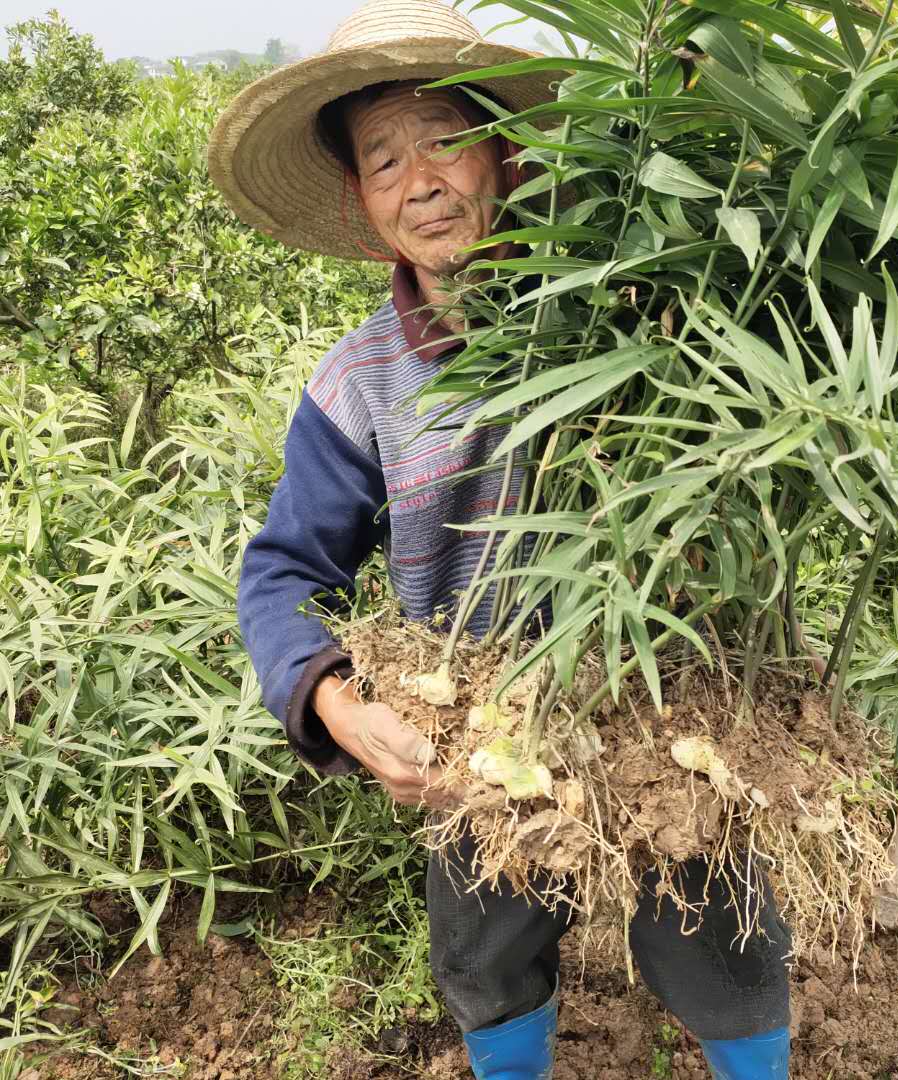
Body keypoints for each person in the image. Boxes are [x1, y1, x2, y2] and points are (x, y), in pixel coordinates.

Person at [209, 1, 792, 1076]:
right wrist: (337, 703)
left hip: (658, 700)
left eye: (444, 140)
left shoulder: (637, 311)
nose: (420, 180)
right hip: (477, 733)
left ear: (507, 152)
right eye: (384, 159)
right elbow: (283, 570)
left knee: (724, 945)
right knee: (486, 957)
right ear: (361, 198)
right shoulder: (361, 384)